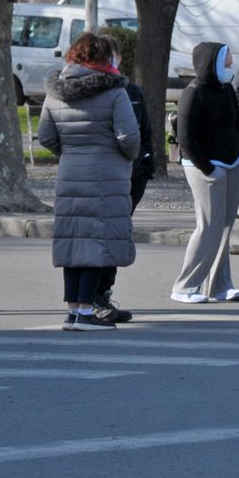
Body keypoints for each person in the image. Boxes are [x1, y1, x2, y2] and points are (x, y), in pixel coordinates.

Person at [36, 33, 140, 331]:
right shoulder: (114, 92)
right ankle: (86, 311)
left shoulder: (55, 92)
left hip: (70, 174)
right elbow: (129, 137)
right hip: (106, 175)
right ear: (104, 58)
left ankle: (72, 311)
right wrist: (123, 157)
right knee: (98, 244)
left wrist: (70, 152)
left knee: (73, 244)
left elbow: (46, 136)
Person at [171, 43, 239, 304]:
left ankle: (218, 286)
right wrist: (208, 168)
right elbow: (186, 138)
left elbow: (237, 126)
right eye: (226, 62)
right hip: (206, 168)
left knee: (224, 228)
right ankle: (184, 286)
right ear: (212, 63)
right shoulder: (193, 93)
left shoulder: (226, 89)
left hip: (232, 164)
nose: (230, 67)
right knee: (208, 228)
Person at [94, 47, 155, 323]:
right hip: (104, 177)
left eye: (114, 57)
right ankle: (91, 299)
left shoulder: (132, 92)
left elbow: (144, 133)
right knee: (99, 239)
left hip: (131, 177)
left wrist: (146, 165)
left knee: (117, 238)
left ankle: (105, 293)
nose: (113, 63)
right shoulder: (93, 93)